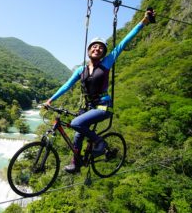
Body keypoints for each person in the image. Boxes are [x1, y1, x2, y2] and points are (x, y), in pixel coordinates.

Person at [44, 10, 155, 173]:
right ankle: (76, 164)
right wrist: (50, 100)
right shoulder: (80, 70)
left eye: (100, 47)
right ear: (89, 50)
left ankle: (100, 143)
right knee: (77, 135)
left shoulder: (107, 63)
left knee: (76, 124)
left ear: (103, 53)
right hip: (89, 107)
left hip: (103, 106)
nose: (97, 49)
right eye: (94, 46)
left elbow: (123, 43)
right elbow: (67, 85)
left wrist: (143, 22)